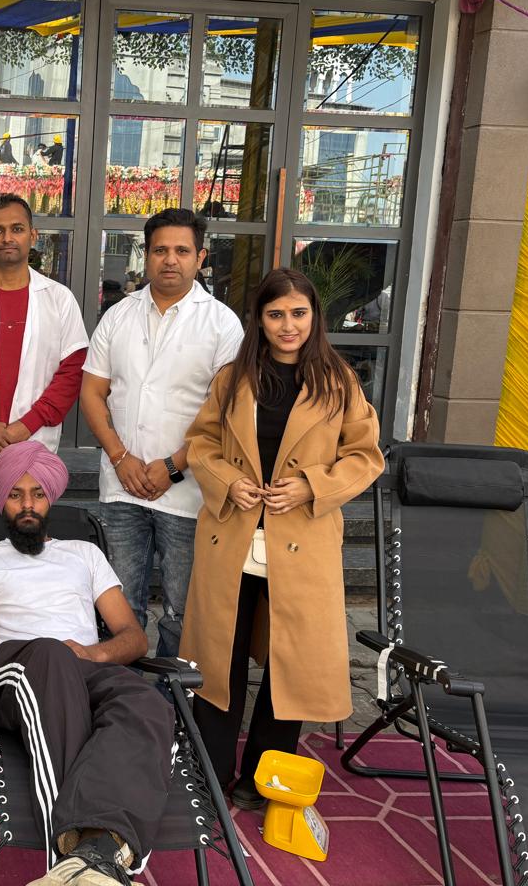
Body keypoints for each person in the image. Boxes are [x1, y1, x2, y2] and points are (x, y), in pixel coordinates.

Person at [0, 441, 174, 886]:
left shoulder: (85, 554)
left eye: (37, 494)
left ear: (51, 497)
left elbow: (133, 636)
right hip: (17, 673)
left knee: (147, 703)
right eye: (15, 494)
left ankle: (97, 856)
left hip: (87, 668)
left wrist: (92, 653)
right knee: (49, 653)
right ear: (1, 501)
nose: (27, 504)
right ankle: (69, 860)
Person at [181, 267, 384, 810]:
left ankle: (263, 778)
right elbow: (201, 444)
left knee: (287, 665)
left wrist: (312, 485)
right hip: (233, 538)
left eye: (298, 313)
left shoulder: (339, 382)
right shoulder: (233, 378)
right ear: (260, 319)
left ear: (314, 316)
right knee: (219, 660)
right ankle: (208, 772)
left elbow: (365, 457)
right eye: (276, 314)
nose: (288, 325)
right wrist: (229, 481)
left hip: (302, 544)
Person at [79, 208, 243, 658]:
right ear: (147, 254)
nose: (171, 260)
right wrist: (120, 457)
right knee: (119, 603)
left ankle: (177, 690)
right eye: (160, 250)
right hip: (122, 486)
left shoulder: (222, 324)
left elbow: (223, 413)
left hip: (189, 491)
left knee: (182, 606)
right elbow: (92, 392)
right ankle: (122, 687)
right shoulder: (118, 315)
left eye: (182, 251)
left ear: (200, 258)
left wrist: (172, 466)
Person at [0, 193, 87, 506]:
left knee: (28, 535)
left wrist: (27, 425)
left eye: (17, 229)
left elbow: (72, 373)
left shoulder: (59, 299)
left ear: (33, 235)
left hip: (34, 449)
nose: (7, 238)